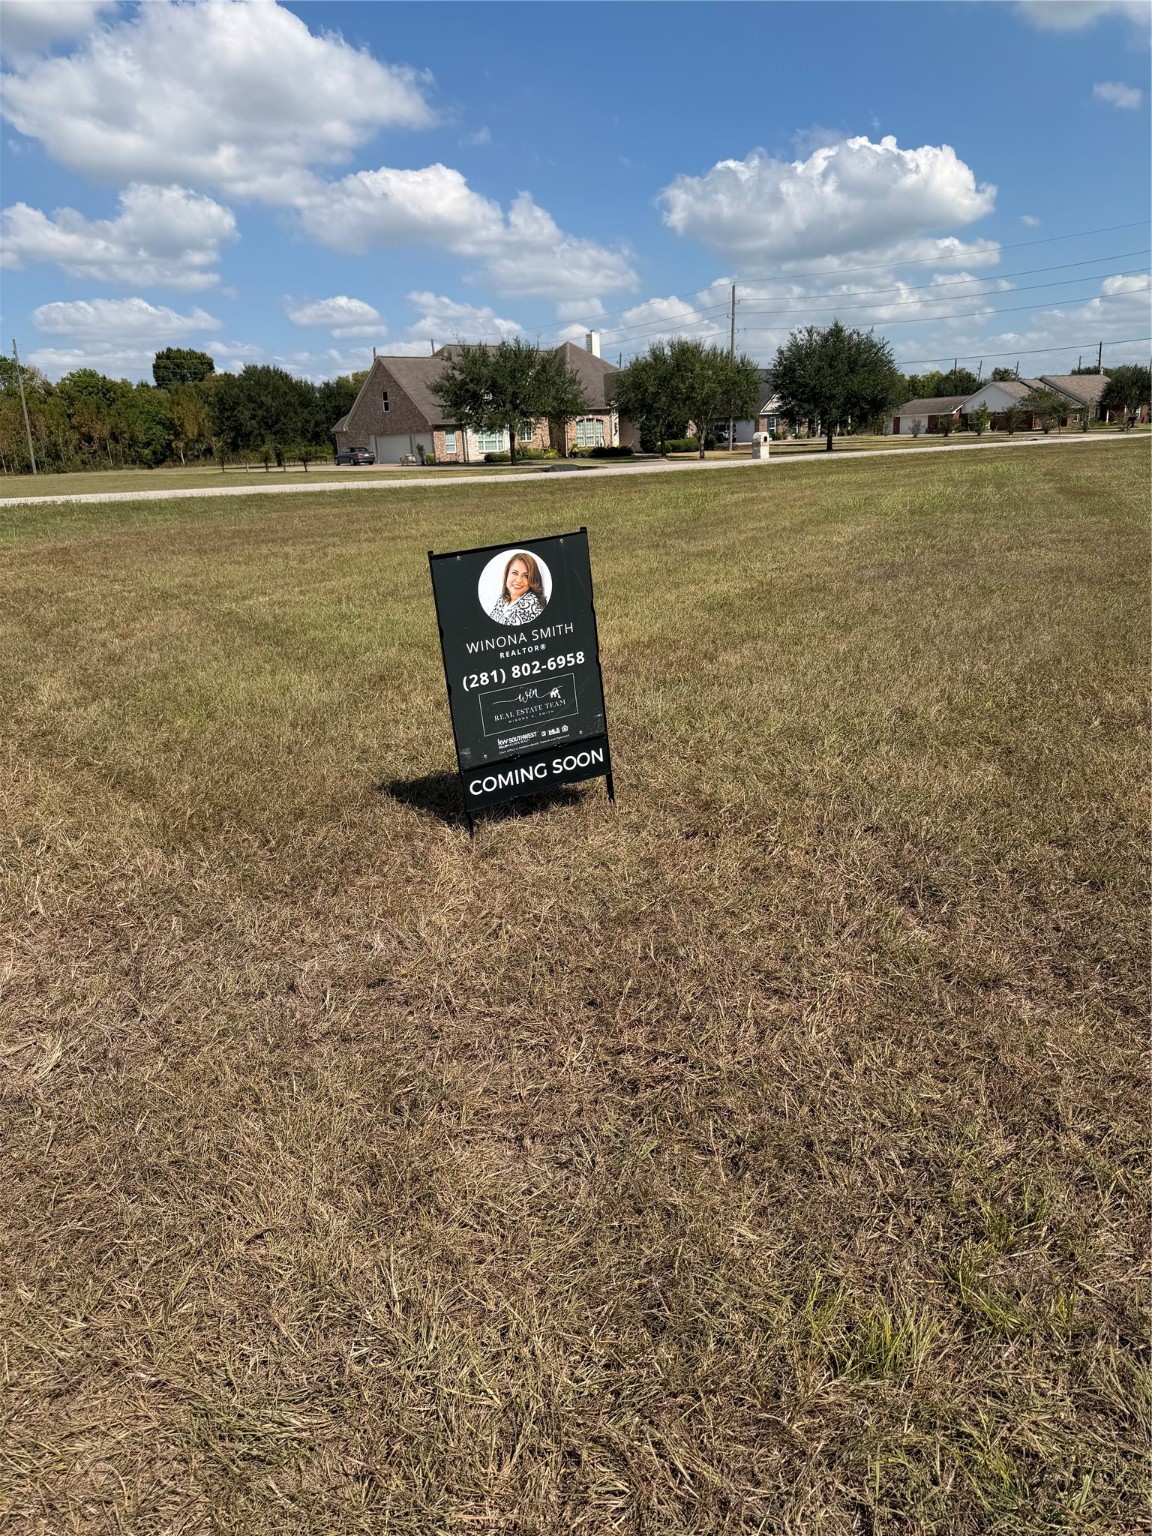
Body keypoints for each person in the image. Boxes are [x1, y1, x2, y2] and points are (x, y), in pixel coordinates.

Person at [489, 551, 546, 625]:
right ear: (507, 574)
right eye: (514, 573)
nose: (519, 580)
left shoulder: (531, 605)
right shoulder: (502, 598)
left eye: (526, 576)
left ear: (532, 580)